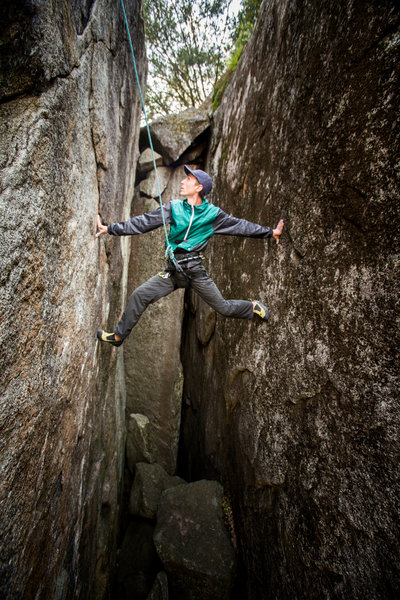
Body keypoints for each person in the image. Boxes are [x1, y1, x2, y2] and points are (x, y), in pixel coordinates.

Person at [96, 165, 284, 347]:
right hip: (173, 272)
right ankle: (119, 337)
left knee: (224, 308)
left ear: (199, 187)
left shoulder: (213, 215)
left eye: (188, 179)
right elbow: (144, 222)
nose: (182, 182)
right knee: (139, 295)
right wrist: (110, 229)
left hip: (194, 272)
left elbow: (241, 227)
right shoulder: (174, 208)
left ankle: (252, 307)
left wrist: (270, 232)